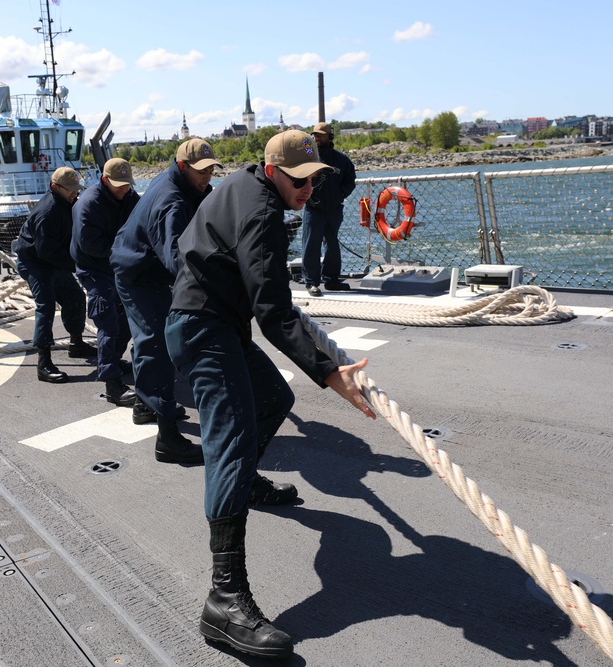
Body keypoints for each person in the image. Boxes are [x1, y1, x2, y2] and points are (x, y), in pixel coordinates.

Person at [165, 130, 376, 658]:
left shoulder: (239, 183)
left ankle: (244, 484)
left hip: (214, 321)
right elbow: (275, 311)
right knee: (230, 443)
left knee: (273, 400)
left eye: (315, 178)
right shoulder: (263, 214)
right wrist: (333, 373)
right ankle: (224, 602)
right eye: (299, 180)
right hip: (203, 328)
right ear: (273, 170)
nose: (307, 190)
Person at [111, 139, 219, 464]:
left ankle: (145, 405)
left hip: (146, 265)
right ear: (183, 166)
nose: (208, 176)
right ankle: (167, 440)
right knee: (156, 342)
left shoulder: (185, 183)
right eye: (201, 171)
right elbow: (176, 259)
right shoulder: (171, 202)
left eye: (212, 169)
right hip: (138, 273)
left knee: (154, 339)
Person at [14, 167, 94, 383]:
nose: (74, 193)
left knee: (75, 297)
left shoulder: (67, 203)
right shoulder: (47, 212)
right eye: (69, 190)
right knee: (46, 306)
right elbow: (45, 251)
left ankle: (76, 343)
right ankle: (44, 363)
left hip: (54, 260)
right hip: (35, 263)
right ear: (54, 187)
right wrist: (78, 265)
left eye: (76, 189)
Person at [71, 158, 140, 406]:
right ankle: (112, 385)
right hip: (94, 267)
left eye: (127, 185)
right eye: (119, 185)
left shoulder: (130, 197)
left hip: (118, 265)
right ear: (104, 180)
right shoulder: (88, 204)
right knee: (107, 321)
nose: (124, 189)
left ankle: (111, 359)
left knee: (127, 317)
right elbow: (88, 244)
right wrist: (125, 249)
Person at [301, 122, 357, 297]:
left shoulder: (342, 160)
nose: (317, 138)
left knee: (333, 246)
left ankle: (331, 280)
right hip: (313, 209)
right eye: (315, 135)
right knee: (311, 245)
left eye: (321, 135)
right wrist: (306, 196)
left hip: (334, 210)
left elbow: (350, 180)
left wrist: (341, 195)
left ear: (330, 137)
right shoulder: (307, 160)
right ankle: (311, 283)